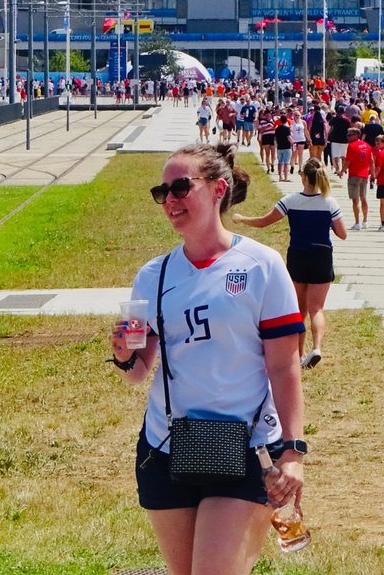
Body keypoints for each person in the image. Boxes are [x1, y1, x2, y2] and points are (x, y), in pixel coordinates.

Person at [109, 143, 308, 575]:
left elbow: (283, 365)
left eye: (181, 186)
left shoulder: (261, 266)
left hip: (247, 449)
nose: (171, 200)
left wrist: (293, 452)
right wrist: (124, 355)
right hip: (168, 448)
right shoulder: (154, 274)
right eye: (163, 192)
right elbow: (139, 370)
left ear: (219, 188)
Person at [235, 158, 346, 370]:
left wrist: (242, 218)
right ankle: (317, 348)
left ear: (303, 176)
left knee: (298, 309)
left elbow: (264, 221)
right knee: (317, 309)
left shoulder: (291, 200)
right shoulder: (330, 203)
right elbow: (343, 234)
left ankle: (300, 353)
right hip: (322, 256)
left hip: (298, 256)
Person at [344, 126, 373, 230]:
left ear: (356, 135)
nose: (348, 137)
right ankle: (365, 221)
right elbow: (371, 161)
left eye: (350, 135)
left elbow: (348, 161)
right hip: (364, 175)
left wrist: (341, 171)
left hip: (354, 175)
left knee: (355, 200)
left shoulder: (351, 146)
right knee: (363, 197)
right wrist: (373, 174)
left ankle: (357, 223)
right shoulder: (367, 146)